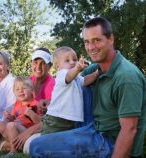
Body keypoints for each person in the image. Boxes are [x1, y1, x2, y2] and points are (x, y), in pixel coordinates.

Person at [29, 17, 146, 157]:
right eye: (87, 42)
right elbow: (69, 84)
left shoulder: (127, 77)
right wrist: (48, 101)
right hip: (91, 126)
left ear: (111, 39)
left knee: (37, 147)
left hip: (109, 142)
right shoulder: (96, 68)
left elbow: (130, 129)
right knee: (81, 84)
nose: (91, 47)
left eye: (97, 40)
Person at [0, 77, 41, 157]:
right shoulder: (17, 104)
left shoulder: (35, 104)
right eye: (17, 89)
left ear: (31, 90)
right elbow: (13, 118)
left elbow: (40, 123)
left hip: (26, 133)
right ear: (14, 92)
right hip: (14, 132)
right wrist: (9, 117)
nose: (21, 91)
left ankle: (14, 152)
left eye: (24, 88)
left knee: (11, 125)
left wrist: (31, 114)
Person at [30, 48, 55, 114]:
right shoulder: (27, 82)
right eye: (35, 62)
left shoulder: (52, 85)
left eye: (43, 63)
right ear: (31, 63)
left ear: (50, 66)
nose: (38, 67)